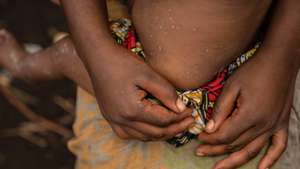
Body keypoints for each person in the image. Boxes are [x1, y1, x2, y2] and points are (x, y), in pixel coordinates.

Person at [0, 0, 299, 168]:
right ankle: (28, 66)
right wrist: (96, 50)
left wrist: (281, 54)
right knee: (71, 54)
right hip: (144, 66)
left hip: (236, 60)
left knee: (71, 53)